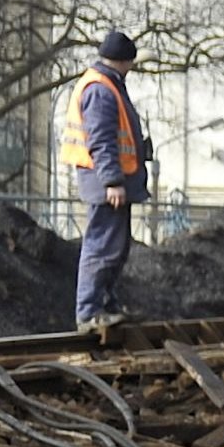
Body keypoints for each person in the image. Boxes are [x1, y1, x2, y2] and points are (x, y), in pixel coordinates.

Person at [59, 30, 152, 330]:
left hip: (113, 181)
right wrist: (112, 180)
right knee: (101, 246)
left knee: (115, 247)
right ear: (127, 61)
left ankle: (105, 304)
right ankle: (88, 312)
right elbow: (100, 140)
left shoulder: (107, 84)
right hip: (106, 183)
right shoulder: (100, 89)